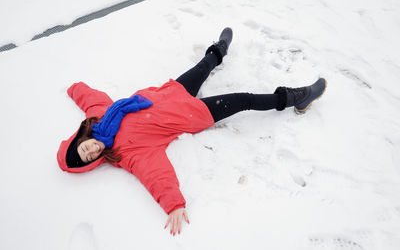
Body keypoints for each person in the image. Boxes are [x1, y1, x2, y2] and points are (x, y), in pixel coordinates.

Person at [57, 27, 327, 236]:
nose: (92, 151)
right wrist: (173, 203)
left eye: (85, 148)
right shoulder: (126, 154)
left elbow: (89, 96)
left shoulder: (99, 117)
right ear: (94, 162)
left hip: (172, 92)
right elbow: (155, 173)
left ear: (83, 139)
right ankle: (297, 98)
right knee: (244, 99)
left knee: (203, 66)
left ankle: (218, 51)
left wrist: (72, 87)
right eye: (90, 157)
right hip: (194, 114)